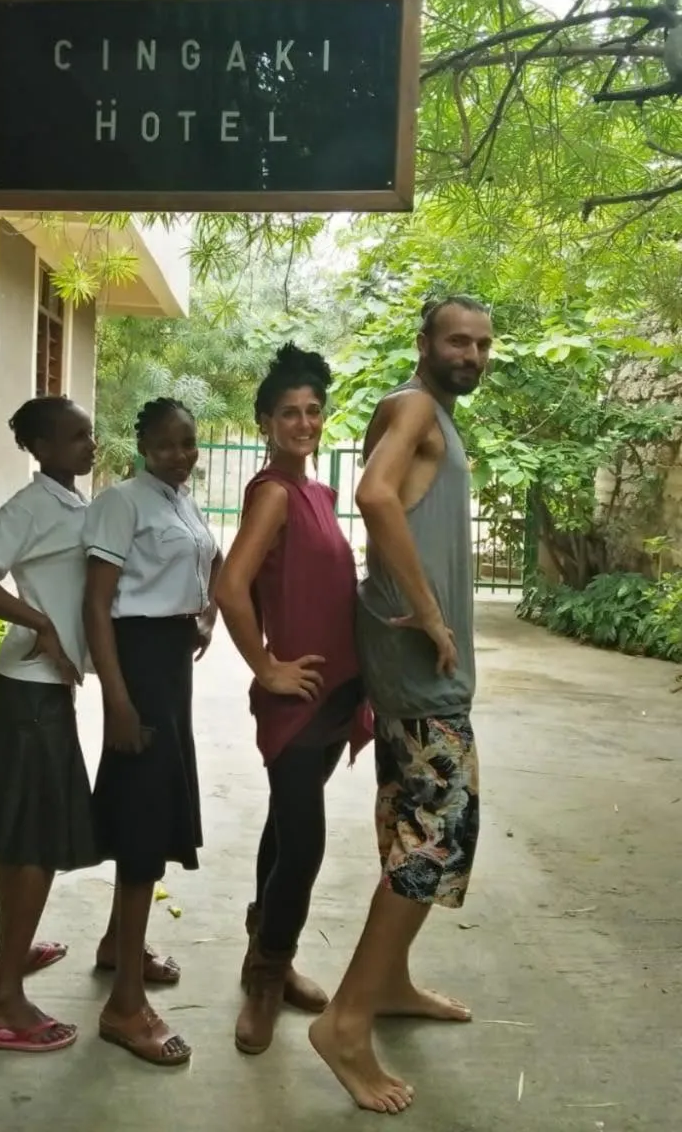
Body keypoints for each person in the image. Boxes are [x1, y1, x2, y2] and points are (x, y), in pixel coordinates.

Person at [0, 396, 177, 1054]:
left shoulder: (76, 504)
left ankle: (6, 957)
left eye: (89, 435)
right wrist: (39, 622)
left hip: (48, 692)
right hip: (30, 693)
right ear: (41, 449)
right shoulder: (31, 507)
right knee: (37, 841)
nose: (88, 445)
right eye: (74, 437)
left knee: (17, 834)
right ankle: (5, 999)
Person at [309, 295, 492, 1114]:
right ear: (426, 344)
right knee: (436, 836)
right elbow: (375, 496)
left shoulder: (428, 413)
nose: (473, 353)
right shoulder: (417, 404)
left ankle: (388, 986)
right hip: (420, 667)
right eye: (458, 339)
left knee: (409, 826)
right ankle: (345, 1023)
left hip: (415, 666)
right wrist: (426, 611)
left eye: (483, 343)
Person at [214, 344, 373, 1057]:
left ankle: (266, 950)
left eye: (313, 411)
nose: (303, 423)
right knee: (304, 844)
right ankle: (267, 977)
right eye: (289, 413)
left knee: (285, 825)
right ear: (265, 421)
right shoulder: (274, 492)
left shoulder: (321, 494)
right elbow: (230, 587)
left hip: (338, 692)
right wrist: (266, 667)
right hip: (298, 698)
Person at [83, 398, 221, 1068]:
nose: (178, 455)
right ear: (142, 445)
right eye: (165, 445)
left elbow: (205, 567)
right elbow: (96, 604)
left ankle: (119, 947)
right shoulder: (123, 502)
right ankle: (125, 1008)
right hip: (136, 670)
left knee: (154, 810)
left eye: (188, 443)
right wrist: (116, 699)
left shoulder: (182, 501)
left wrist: (205, 614)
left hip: (170, 670)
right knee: (142, 828)